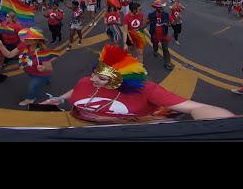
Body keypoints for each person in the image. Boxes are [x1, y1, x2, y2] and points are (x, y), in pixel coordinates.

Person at [40, 44, 235, 123]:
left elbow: (196, 108)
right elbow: (77, 88)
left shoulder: (146, 89)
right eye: (93, 74)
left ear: (119, 80)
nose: (92, 80)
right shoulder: (86, 81)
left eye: (101, 78)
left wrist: (223, 129)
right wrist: (59, 99)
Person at [0, 27, 56, 106]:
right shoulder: (23, 45)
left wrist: (44, 69)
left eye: (29, 38)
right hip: (29, 71)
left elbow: (49, 69)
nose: (25, 39)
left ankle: (30, 99)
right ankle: (47, 80)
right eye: (25, 37)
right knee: (43, 79)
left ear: (36, 40)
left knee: (32, 86)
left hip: (40, 75)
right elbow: (9, 55)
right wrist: (1, 45)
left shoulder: (43, 51)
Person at [147, 0, 173, 70]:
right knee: (155, 45)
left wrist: (176, 20)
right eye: (159, 7)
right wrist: (140, 29)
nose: (161, 8)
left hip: (164, 35)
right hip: (154, 35)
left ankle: (167, 62)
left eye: (162, 7)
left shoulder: (166, 14)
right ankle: (155, 50)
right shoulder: (151, 15)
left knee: (165, 49)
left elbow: (172, 23)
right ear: (155, 7)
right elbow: (146, 22)